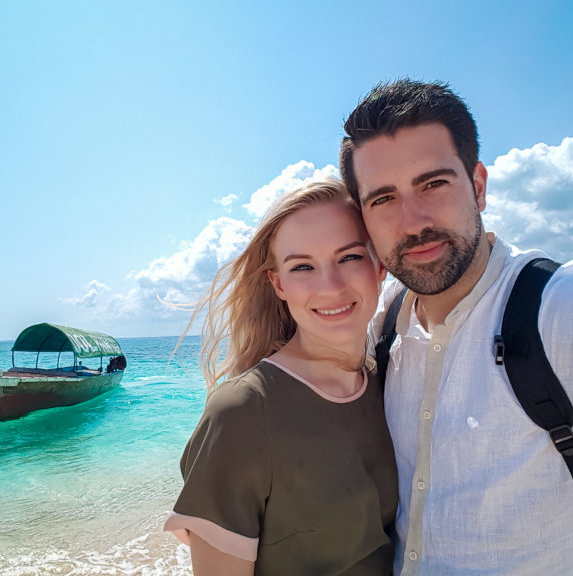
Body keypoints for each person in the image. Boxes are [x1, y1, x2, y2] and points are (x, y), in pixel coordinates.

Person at [339, 79, 573, 575]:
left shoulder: (564, 312)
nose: (413, 222)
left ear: (478, 185)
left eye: (433, 184)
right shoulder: (384, 326)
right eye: (383, 199)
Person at [164, 178, 398, 575]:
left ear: (379, 266)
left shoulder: (391, 379)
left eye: (350, 257)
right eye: (302, 266)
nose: (331, 287)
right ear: (278, 283)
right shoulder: (243, 411)